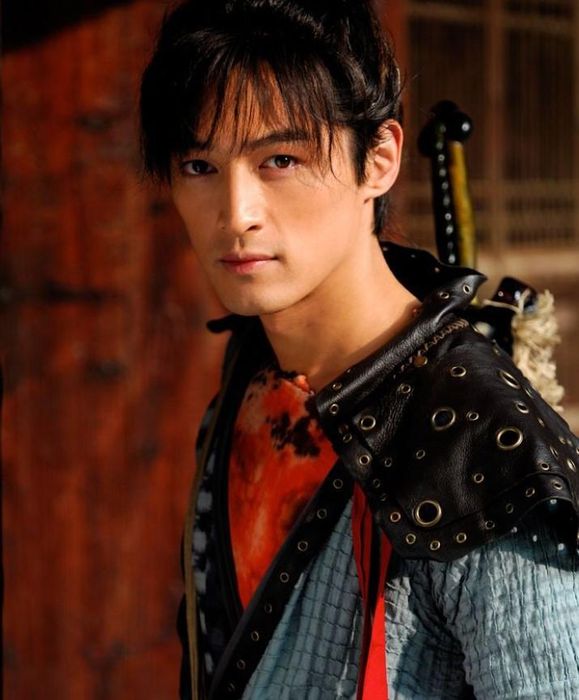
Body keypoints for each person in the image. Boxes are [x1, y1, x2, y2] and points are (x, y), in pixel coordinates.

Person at [140, 1, 579, 697]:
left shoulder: (492, 458)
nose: (236, 213)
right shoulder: (254, 374)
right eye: (199, 165)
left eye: (279, 159)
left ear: (378, 160)